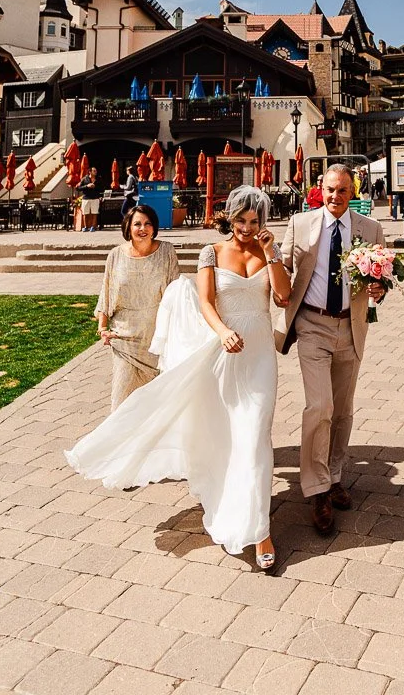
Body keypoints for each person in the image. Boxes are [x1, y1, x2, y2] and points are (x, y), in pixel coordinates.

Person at [66, 187, 291, 565]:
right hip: (225, 349)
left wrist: (272, 255)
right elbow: (205, 301)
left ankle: (261, 533)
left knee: (255, 436)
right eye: (241, 220)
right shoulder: (212, 253)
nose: (248, 228)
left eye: (255, 222)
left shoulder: (270, 252)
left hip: (260, 356)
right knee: (228, 435)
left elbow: (283, 297)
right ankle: (231, 501)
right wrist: (221, 331)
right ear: (229, 218)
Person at [277, 164, 386, 535]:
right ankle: (316, 488)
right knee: (319, 406)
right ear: (319, 189)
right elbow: (282, 269)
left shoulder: (370, 230)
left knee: (342, 410)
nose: (335, 197)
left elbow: (379, 278)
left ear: (351, 191)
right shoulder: (300, 224)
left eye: (342, 191)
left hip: (351, 327)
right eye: (330, 190)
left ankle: (335, 474)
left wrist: (379, 290)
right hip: (312, 325)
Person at [95, 205, 181, 409]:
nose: (143, 228)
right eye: (137, 224)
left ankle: (150, 441)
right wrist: (102, 328)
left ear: (154, 227)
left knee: (154, 402)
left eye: (148, 223)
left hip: (157, 337)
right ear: (128, 227)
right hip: (124, 337)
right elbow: (106, 293)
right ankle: (118, 440)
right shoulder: (115, 255)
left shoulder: (167, 251)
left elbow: (175, 293)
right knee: (121, 400)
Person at [78, 165, 104, 232]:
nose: (96, 172)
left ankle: (93, 227)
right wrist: (87, 186)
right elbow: (78, 188)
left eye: (96, 171)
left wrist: (95, 186)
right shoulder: (84, 179)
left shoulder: (98, 179)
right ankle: (85, 226)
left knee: (94, 213)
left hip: (95, 198)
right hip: (86, 198)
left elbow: (102, 188)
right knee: (85, 213)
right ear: (90, 172)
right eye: (94, 171)